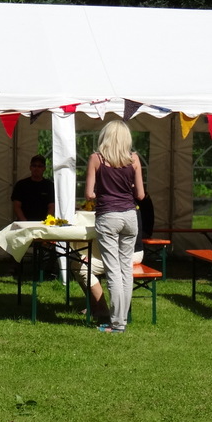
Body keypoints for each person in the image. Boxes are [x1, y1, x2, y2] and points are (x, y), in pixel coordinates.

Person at [85, 120, 145, 333]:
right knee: (125, 270)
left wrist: (103, 190)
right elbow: (140, 195)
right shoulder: (134, 159)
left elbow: (89, 194)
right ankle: (122, 320)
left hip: (108, 216)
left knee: (113, 271)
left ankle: (117, 324)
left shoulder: (96, 159)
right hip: (130, 216)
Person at [11, 154, 55, 221]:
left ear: (44, 168)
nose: (36, 168)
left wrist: (47, 222)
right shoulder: (21, 185)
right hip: (23, 223)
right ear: (30, 167)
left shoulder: (49, 185)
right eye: (34, 166)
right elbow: (17, 206)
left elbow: (51, 206)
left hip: (43, 223)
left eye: (40, 166)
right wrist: (25, 223)